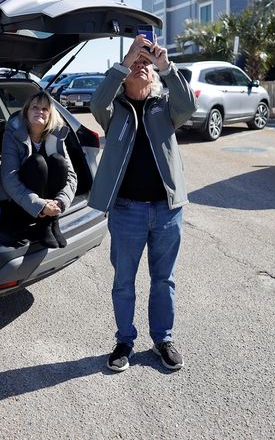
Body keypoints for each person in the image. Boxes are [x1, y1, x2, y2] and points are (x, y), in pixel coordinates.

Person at [89, 34, 197, 372]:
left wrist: (166, 65)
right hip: (126, 210)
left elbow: (189, 106)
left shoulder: (165, 108)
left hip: (166, 210)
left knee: (163, 279)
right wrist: (126, 59)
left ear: (154, 78)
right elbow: (96, 103)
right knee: (124, 280)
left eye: (146, 66)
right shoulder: (114, 110)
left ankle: (163, 339)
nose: (141, 68)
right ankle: (124, 341)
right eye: (135, 64)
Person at [0, 91, 77, 248]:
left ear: (50, 114)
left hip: (50, 203)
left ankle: (52, 222)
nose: (40, 111)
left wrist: (60, 202)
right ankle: (42, 223)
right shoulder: (13, 134)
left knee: (59, 162)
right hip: (17, 201)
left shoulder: (56, 135)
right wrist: (41, 207)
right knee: (37, 162)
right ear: (26, 111)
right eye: (35, 107)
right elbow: (9, 178)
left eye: (45, 109)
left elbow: (71, 176)